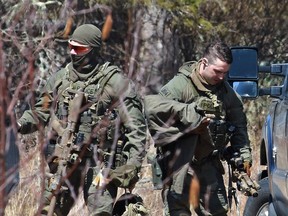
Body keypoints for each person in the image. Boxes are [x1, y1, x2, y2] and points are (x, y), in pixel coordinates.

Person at [17, 24, 147, 216]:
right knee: (47, 210)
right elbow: (41, 112)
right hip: (65, 161)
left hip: (100, 164)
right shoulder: (59, 79)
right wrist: (18, 124)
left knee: (100, 212)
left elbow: (136, 127)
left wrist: (132, 167)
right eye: (70, 46)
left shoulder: (116, 82)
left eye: (78, 49)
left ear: (93, 51)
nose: (72, 52)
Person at [144, 41, 252, 216]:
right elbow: (154, 108)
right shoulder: (180, 85)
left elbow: (239, 127)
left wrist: (244, 157)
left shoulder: (227, 94)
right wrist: (189, 114)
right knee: (178, 211)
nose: (222, 77)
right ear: (204, 62)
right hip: (180, 164)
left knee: (217, 212)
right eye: (217, 71)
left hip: (209, 164)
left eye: (225, 72)